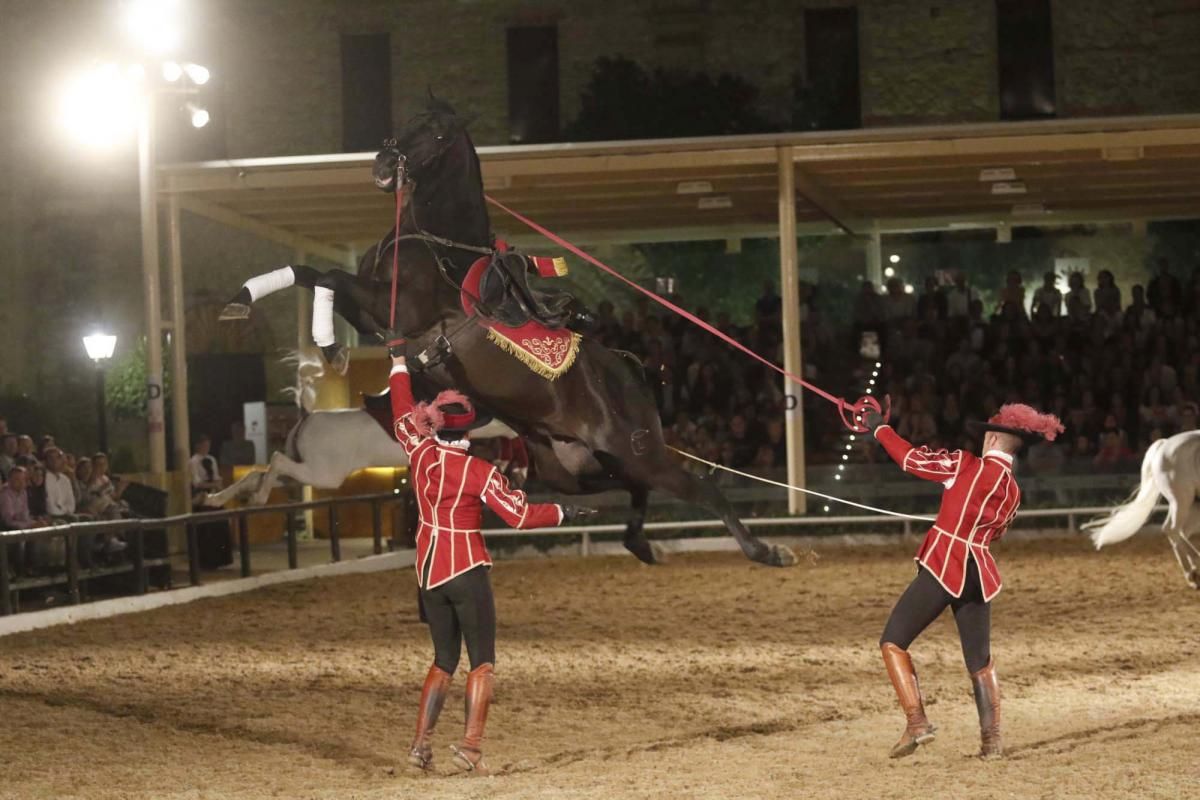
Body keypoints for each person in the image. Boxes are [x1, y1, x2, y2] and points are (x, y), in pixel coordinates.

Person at [386, 339, 595, 775]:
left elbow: (401, 408)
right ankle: (469, 749)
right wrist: (562, 511)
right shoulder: (477, 471)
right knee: (482, 660)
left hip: (428, 572)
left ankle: (420, 747)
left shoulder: (419, 453)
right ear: (468, 431)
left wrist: (398, 360)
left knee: (444, 659)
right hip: (466, 569)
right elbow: (519, 516)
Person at [863, 401, 1063, 760]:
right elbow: (996, 531)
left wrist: (879, 428)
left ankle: (916, 722)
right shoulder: (1014, 493)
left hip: (946, 564)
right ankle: (992, 742)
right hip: (979, 572)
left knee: (893, 641)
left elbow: (911, 460)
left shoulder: (965, 465)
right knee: (979, 661)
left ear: (993, 439)